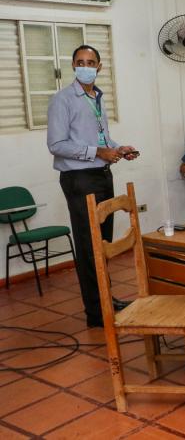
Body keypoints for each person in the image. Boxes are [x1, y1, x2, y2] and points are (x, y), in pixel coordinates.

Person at [47, 45, 139, 328]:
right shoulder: (62, 100)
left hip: (101, 175)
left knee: (103, 244)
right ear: (72, 65)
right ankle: (96, 313)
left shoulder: (96, 97)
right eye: (79, 62)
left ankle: (106, 300)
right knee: (89, 247)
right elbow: (57, 145)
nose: (84, 66)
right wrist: (98, 152)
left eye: (90, 62)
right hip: (80, 179)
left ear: (99, 67)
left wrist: (117, 147)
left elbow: (102, 137)